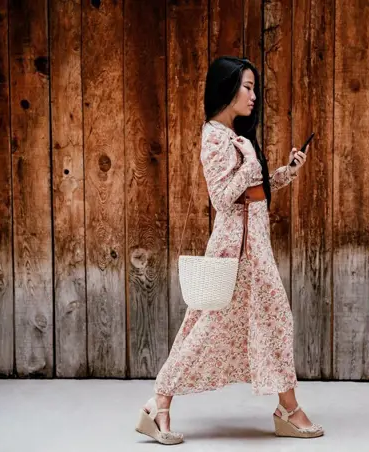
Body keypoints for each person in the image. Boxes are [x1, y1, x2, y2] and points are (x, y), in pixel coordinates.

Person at [134, 56, 324, 445]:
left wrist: (286, 171)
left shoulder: (233, 134)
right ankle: (159, 404)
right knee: (208, 327)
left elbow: (252, 191)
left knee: (271, 321)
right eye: (248, 87)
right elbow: (222, 198)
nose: (254, 96)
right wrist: (250, 162)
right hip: (235, 249)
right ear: (227, 87)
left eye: (255, 87)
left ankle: (285, 408)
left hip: (253, 245)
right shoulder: (214, 136)